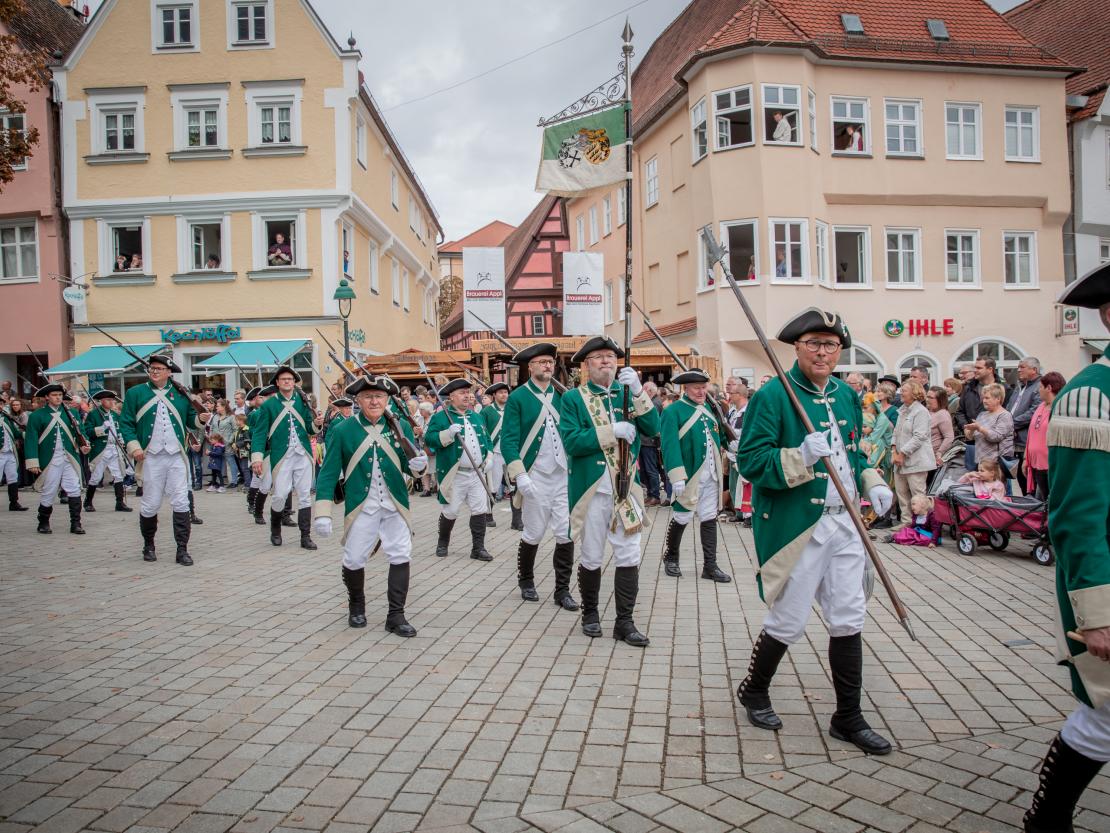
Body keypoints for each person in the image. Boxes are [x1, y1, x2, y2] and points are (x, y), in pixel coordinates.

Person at [735, 307, 894, 755]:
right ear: (798, 348)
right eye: (813, 344)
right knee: (789, 620)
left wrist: (872, 481)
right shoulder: (773, 396)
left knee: (849, 615)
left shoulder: (845, 395)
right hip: (799, 525)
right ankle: (755, 688)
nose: (823, 352)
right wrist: (800, 456)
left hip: (845, 521)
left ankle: (848, 716)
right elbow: (751, 463)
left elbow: (854, 455)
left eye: (831, 345)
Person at [1023, 264, 1109, 833]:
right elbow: (1077, 518)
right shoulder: (1090, 394)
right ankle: (1047, 818)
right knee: (1105, 718)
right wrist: (1098, 616)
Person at [560, 337, 660, 646]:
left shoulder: (627, 392)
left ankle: (624, 622)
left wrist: (640, 393)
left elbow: (653, 428)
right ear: (587, 365)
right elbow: (572, 441)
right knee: (591, 555)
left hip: (626, 489)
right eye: (599, 357)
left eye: (611, 357)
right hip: (593, 491)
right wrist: (609, 432)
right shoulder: (575, 399)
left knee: (629, 555)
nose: (607, 361)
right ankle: (590, 614)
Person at [314, 375, 427, 636]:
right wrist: (322, 513)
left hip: (395, 501)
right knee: (354, 559)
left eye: (379, 396)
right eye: (368, 396)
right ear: (358, 400)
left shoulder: (399, 426)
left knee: (401, 554)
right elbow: (329, 472)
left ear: (387, 399)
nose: (374, 401)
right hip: (361, 504)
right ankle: (356, 605)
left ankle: (396, 616)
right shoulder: (343, 430)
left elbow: (407, 462)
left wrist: (418, 468)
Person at [500, 343, 577, 608]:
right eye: (542, 362)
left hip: (563, 476)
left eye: (550, 362)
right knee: (533, 533)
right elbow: (508, 441)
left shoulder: (563, 397)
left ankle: (562, 590)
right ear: (530, 367)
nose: (547, 366)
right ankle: (526, 580)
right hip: (535, 476)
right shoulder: (518, 397)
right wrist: (519, 474)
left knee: (566, 534)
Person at [120, 355, 210, 564]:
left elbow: (190, 421)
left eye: (160, 369)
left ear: (169, 372)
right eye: (152, 368)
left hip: (176, 455)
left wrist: (201, 419)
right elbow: (126, 423)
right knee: (150, 504)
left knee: (181, 501)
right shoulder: (135, 393)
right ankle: (149, 545)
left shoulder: (180, 394)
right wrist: (134, 447)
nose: (155, 372)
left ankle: (182, 549)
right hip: (151, 456)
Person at [659, 368, 731, 582]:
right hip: (690, 475)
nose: (701, 392)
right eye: (697, 388)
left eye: (704, 387)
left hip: (712, 474)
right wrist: (676, 475)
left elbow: (716, 435)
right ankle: (671, 557)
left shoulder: (709, 408)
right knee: (682, 516)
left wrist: (731, 444)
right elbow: (669, 445)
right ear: (686, 388)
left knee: (709, 517)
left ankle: (710, 565)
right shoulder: (674, 411)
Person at [250, 366, 323, 549]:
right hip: (282, 456)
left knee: (305, 496)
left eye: (290, 379)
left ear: (294, 382)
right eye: (283, 379)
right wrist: (257, 458)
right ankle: (275, 530)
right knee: (280, 496)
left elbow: (309, 428)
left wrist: (316, 424)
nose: (287, 382)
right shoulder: (268, 405)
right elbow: (259, 434)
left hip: (303, 455)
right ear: (277, 383)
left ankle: (305, 537)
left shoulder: (303, 401)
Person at [425, 379, 493, 562]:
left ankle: (478, 548)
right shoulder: (441, 417)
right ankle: (443, 542)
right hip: (455, 473)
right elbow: (429, 439)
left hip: (477, 473)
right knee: (451, 511)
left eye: (467, 392)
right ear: (452, 397)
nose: (467, 396)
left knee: (480, 510)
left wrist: (489, 456)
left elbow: (487, 439)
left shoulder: (476, 416)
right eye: (462, 393)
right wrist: (447, 434)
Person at [24, 384, 91, 535]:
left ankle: (76, 523)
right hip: (50, 459)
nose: (58, 398)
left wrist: (85, 444)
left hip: (69, 457)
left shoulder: (71, 413)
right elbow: (31, 439)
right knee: (49, 490)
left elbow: (80, 432)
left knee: (74, 488)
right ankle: (43, 522)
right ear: (47, 397)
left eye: (60, 395)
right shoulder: (37, 415)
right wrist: (33, 462)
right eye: (54, 395)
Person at [891, 380, 935, 527]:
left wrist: (902, 453)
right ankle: (906, 522)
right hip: (899, 460)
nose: (901, 393)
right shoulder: (902, 410)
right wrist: (893, 451)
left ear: (914, 393)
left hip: (916, 460)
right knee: (902, 493)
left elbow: (919, 437)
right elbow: (896, 433)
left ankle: (924, 524)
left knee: (918, 494)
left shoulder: (921, 412)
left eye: (904, 390)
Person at [83, 390, 131, 513]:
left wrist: (121, 438)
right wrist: (101, 428)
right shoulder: (93, 414)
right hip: (101, 449)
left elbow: (119, 428)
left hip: (114, 448)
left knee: (118, 475)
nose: (111, 402)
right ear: (102, 401)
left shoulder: (115, 415)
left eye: (112, 400)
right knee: (96, 476)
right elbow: (87, 432)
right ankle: (88, 502)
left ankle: (120, 503)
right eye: (108, 400)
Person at [1024, 372, 1065, 500]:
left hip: (1050, 465)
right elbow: (1032, 433)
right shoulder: (1041, 406)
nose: (1038, 390)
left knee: (1049, 501)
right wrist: (1026, 458)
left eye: (1041, 387)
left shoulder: (1060, 409)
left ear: (1049, 388)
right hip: (1036, 464)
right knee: (1041, 502)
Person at [1008, 357, 1043, 495]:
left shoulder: (1039, 386)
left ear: (1034, 370)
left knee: (1031, 485)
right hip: (1015, 441)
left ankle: (1034, 513)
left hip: (1027, 441)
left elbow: (1034, 412)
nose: (1018, 370)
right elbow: (1010, 407)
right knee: (1022, 484)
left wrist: (1011, 424)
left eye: (1022, 367)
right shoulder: (1020, 386)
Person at [964, 382, 1014, 474]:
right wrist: (970, 431)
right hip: (981, 462)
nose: (984, 401)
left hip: (996, 464)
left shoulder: (1004, 415)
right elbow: (972, 437)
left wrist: (980, 428)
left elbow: (996, 437)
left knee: (998, 488)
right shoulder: (982, 414)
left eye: (987, 398)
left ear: (998, 399)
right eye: (983, 398)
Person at [480, 381, 509, 523]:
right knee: (493, 485)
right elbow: (482, 433)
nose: (504, 395)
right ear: (494, 395)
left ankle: (517, 520)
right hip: (495, 452)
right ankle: (488, 514)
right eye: (501, 392)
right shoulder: (486, 411)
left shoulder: (512, 409)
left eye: (506, 392)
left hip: (510, 452)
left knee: (515, 485)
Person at [245, 386, 275, 525]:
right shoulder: (255, 414)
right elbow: (254, 433)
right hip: (265, 451)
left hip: (278, 451)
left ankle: (285, 513)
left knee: (283, 485)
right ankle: (257, 509)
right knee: (264, 483)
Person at [724, 376, 751, 525]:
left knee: (745, 486)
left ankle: (745, 514)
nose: (730, 396)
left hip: (742, 453)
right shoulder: (733, 411)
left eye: (732, 394)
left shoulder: (748, 412)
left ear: (739, 395)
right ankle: (738, 512)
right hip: (732, 454)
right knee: (734, 486)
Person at [637, 381, 663, 506]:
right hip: (644, 441)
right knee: (644, 470)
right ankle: (650, 494)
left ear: (650, 391)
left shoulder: (655, 403)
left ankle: (655, 495)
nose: (642, 392)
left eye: (644, 390)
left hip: (650, 442)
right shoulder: (652, 401)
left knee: (651, 469)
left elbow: (651, 423)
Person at [925, 387, 955, 488]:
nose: (927, 399)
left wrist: (940, 452)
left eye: (930, 397)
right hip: (924, 456)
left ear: (939, 399)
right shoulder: (927, 412)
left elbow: (949, 437)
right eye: (927, 396)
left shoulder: (942, 414)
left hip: (934, 458)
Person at [1, 400, 25, 511]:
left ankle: (14, 502)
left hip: (10, 451)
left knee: (12, 477)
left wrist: (26, 432)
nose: (0, 406)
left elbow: (15, 432)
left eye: (1, 404)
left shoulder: (5, 417)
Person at [210, 399, 237, 488]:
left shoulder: (231, 417)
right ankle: (218, 481)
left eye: (217, 406)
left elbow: (235, 429)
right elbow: (211, 428)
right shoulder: (215, 417)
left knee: (230, 462)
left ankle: (233, 481)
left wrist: (230, 440)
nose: (216, 407)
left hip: (226, 444)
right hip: (216, 445)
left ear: (223, 406)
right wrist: (211, 438)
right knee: (217, 463)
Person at [231, 412, 252, 490]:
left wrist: (237, 445)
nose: (236, 422)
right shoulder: (239, 429)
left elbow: (247, 440)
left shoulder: (246, 430)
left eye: (237, 420)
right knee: (243, 468)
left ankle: (248, 485)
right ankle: (248, 483)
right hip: (239, 452)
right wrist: (234, 444)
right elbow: (236, 439)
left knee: (245, 468)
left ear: (241, 421)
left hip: (245, 452)